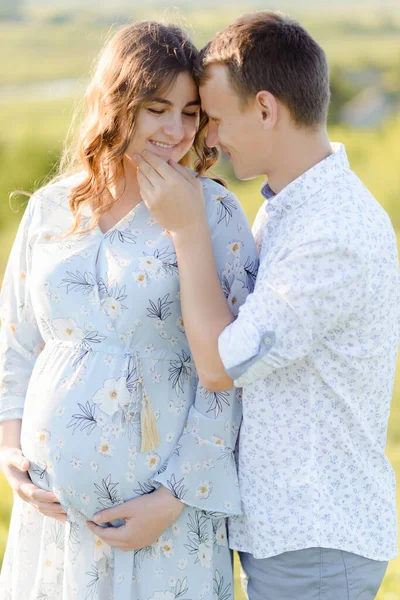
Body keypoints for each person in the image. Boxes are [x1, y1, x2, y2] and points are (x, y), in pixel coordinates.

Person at [133, 10, 399, 600]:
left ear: (265, 108)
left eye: (216, 118)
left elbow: (221, 365)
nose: (208, 139)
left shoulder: (332, 234)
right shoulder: (290, 207)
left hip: (316, 542)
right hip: (294, 536)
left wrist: (188, 232)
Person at [0, 21, 258, 600]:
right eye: (155, 109)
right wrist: (9, 451)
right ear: (117, 105)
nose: (175, 130)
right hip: (53, 523)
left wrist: (174, 499)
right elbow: (14, 344)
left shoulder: (213, 212)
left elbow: (232, 373)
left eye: (189, 112)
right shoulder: (50, 209)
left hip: (164, 519)